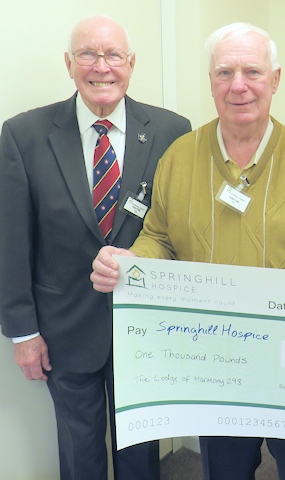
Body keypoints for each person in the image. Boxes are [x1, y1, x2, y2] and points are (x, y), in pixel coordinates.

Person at [90, 22, 285, 480]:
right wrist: (130, 262)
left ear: (276, 80)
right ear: (210, 82)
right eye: (224, 73)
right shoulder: (178, 157)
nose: (238, 85)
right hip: (216, 367)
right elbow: (158, 238)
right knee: (225, 470)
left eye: (252, 72)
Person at [0, 15, 191, 480]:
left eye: (113, 56)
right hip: (63, 327)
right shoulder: (23, 135)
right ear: (69, 64)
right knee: (78, 449)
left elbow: (182, 230)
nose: (101, 67)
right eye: (88, 54)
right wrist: (22, 334)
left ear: (131, 64)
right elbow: (10, 241)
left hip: (147, 327)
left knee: (140, 449)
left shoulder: (172, 130)